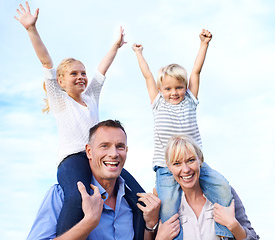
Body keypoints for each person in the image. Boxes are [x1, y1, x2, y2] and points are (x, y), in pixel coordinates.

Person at [15, 2, 127, 235]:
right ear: (61, 81)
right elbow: (46, 61)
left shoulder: (92, 97)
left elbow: (102, 70)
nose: (81, 77)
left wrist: (115, 46)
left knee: (136, 195)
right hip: (73, 160)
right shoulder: (60, 100)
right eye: (74, 73)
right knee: (76, 198)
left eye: (83, 73)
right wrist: (31, 29)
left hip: (96, 156)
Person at [132, 30, 234, 239]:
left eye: (179, 87)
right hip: (165, 165)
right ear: (161, 90)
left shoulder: (190, 100)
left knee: (222, 186)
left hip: (194, 162)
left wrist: (203, 44)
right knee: (169, 209)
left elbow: (196, 71)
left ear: (186, 87)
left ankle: (224, 233)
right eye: (168, 88)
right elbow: (148, 75)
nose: (174, 92)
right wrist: (139, 54)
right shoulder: (158, 103)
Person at [26, 119, 161, 240]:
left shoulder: (133, 202)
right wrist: (89, 222)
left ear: (126, 151)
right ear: (89, 152)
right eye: (104, 146)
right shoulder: (61, 195)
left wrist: (150, 226)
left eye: (120, 146)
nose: (113, 154)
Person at [151, 134, 259, 240]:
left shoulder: (225, 195)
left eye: (191, 160)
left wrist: (234, 226)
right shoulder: (162, 205)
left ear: (200, 159)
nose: (185, 169)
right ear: (169, 167)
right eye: (177, 164)